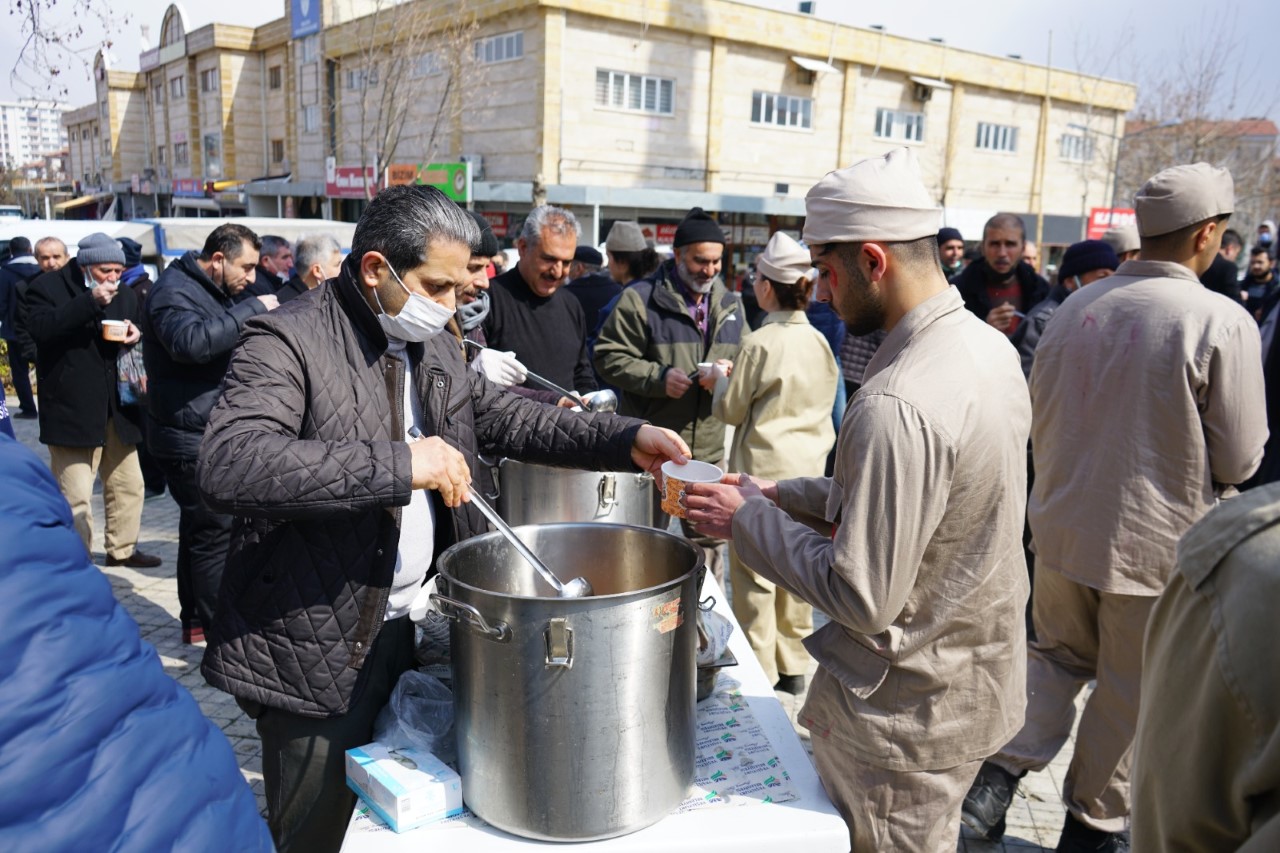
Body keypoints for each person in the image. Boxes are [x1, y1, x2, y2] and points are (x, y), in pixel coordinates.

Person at [195, 185, 689, 853]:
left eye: (461, 287)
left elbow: (505, 414)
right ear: (376, 269)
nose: (453, 305)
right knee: (320, 827)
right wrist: (401, 463)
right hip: (315, 645)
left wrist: (624, 438)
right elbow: (232, 463)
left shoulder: (432, 344)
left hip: (413, 623)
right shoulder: (287, 338)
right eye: (438, 286)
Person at [686, 148, 1031, 853]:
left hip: (907, 719)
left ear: (873, 262)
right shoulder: (983, 348)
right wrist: (781, 495)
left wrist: (745, 519)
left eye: (827, 269)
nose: (820, 291)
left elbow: (863, 592)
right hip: (967, 684)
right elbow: (912, 504)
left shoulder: (900, 397)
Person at [961, 163, 1268, 853]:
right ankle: (1090, 827)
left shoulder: (1075, 307)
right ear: (1209, 235)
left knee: (1051, 659)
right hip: (1154, 548)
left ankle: (992, 785)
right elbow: (1242, 459)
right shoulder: (1222, 320)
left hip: (1062, 530)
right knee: (1131, 694)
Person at [0, 433, 273, 852]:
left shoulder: (15, 476)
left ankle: (182, 606)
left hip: (192, 803)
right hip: (216, 813)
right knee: (205, 531)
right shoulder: (16, 471)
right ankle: (200, 621)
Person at [711, 231, 837, 694]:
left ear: (766, 286)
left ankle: (760, 668)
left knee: (756, 573)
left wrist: (719, 381)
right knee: (802, 567)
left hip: (760, 473)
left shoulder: (758, 342)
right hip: (809, 472)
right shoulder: (819, 341)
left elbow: (730, 411)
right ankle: (795, 662)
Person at [595, 206, 748, 580]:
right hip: (653, 450)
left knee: (710, 543)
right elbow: (606, 356)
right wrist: (658, 377)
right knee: (642, 540)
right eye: (700, 261)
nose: (709, 270)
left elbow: (745, 361)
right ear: (677, 255)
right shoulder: (639, 299)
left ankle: (706, 623)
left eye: (716, 262)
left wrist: (728, 376)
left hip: (707, 451)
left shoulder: (731, 304)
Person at [143, 223, 277, 644]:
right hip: (187, 436)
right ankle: (223, 634)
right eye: (247, 267)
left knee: (198, 531)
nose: (251, 278)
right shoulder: (172, 290)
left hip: (199, 428)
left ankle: (196, 623)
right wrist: (251, 310)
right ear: (218, 259)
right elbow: (189, 343)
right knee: (214, 535)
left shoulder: (208, 289)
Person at [1130, 483, 1280, 851]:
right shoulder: (1249, 559)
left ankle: (1004, 777)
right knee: (1116, 683)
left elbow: (1176, 826)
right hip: (1154, 534)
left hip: (1071, 523)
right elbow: (1240, 451)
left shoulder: (1250, 558)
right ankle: (1089, 821)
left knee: (1061, 658)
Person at [23, 233, 161, 569]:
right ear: (85, 265)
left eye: (118, 270)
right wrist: (89, 301)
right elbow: (41, 330)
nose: (114, 277)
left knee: (128, 484)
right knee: (75, 495)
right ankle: (77, 559)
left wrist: (136, 334)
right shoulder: (47, 287)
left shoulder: (125, 293)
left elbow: (137, 327)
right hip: (71, 407)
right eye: (106, 270)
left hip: (118, 408)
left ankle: (122, 549)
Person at [481, 205, 597, 395]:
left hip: (569, 423)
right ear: (523, 248)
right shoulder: (488, 299)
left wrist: (588, 402)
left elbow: (582, 373)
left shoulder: (571, 304)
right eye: (549, 259)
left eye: (566, 262)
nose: (558, 271)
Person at [1016, 239, 1118, 378]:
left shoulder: (1109, 318)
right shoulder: (1042, 321)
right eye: (1102, 277)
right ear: (1070, 282)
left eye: (1114, 278)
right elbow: (1027, 380)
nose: (1110, 286)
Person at [117, 236, 166, 498]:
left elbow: (154, 330)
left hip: (141, 370)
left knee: (146, 427)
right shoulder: (125, 286)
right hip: (128, 369)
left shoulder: (143, 289)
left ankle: (154, 481)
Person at [950, 213, 1049, 339]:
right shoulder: (956, 291)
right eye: (995, 244)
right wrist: (983, 329)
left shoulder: (1040, 290)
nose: (1002, 253)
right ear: (983, 247)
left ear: (1022, 248)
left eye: (1010, 244)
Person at [0, 236, 41, 418]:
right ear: (30, 249)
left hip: (15, 329)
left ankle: (28, 408)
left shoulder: (5, 272)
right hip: (42, 327)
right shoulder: (42, 269)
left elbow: (1, 304)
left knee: (19, 371)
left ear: (11, 251)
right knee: (46, 368)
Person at [278, 233, 343, 303]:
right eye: (337, 264)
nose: (342, 268)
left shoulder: (324, 296)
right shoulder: (288, 305)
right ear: (317, 270)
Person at [1200, 227, 1244, 302]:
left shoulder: (1200, 259)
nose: (1235, 258)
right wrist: (1241, 297)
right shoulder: (1228, 267)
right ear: (1229, 249)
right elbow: (1234, 299)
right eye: (1236, 253)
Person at [1243, 245, 1277, 319]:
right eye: (1253, 262)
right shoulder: (1243, 285)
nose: (1256, 266)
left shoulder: (1276, 288)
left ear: (1271, 264)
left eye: (1260, 262)